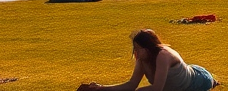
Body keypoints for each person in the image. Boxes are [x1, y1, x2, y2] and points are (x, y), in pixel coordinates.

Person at [76, 28, 216, 91]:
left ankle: (214, 81)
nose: (135, 52)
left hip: (198, 81)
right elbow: (131, 85)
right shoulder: (142, 59)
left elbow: (157, 88)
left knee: (206, 80)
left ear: (148, 47)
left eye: (138, 48)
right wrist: (101, 88)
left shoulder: (163, 55)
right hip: (186, 73)